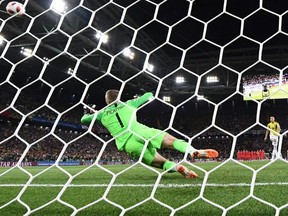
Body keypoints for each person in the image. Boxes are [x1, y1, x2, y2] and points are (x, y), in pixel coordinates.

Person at [81, 90, 219, 179]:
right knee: (172, 141)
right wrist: (140, 95)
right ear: (119, 97)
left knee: (160, 163)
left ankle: (178, 168)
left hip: (127, 144)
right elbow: (148, 95)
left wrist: (89, 113)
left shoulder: (101, 113)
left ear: (106, 101)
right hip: (141, 131)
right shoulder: (129, 103)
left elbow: (84, 120)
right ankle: (193, 151)